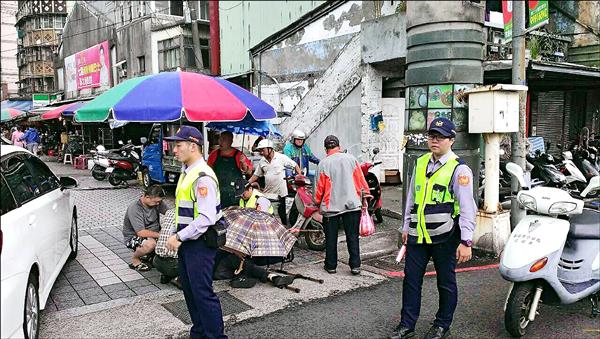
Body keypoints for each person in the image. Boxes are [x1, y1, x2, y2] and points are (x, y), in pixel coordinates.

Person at [391, 118, 476, 339]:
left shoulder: (459, 169)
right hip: (418, 233)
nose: (434, 140)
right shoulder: (420, 163)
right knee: (411, 279)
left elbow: (467, 207)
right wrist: (406, 225)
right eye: (431, 136)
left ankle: (442, 325)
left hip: (445, 235)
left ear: (451, 140)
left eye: (440, 136)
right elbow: (412, 196)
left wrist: (466, 241)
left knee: (445, 281)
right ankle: (407, 324)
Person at [163, 126, 226, 339]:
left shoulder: (202, 176)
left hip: (200, 244)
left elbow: (206, 217)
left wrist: (179, 236)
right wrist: (176, 233)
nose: (174, 150)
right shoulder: (186, 173)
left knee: (202, 294)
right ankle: (199, 333)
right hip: (188, 242)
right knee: (190, 292)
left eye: (178, 145)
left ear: (193, 146)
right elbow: (186, 211)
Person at [314, 135, 370, 276]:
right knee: (352, 236)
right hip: (352, 205)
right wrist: (365, 195)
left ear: (326, 148)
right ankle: (355, 266)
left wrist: (316, 201)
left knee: (331, 238)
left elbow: (319, 189)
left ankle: (331, 266)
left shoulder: (323, 164)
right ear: (339, 146)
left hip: (331, 208)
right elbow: (361, 181)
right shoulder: (351, 159)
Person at [248, 139, 301, 226]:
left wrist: (299, 178)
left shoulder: (281, 157)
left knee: (282, 216)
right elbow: (256, 175)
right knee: (269, 216)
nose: (261, 152)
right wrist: (247, 183)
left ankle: (284, 231)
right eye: (260, 150)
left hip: (281, 193)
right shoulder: (262, 161)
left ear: (270, 149)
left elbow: (294, 165)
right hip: (268, 193)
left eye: (263, 150)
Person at [122, 185, 168, 271]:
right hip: (134, 237)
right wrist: (162, 235)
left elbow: (169, 213)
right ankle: (135, 259)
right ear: (147, 197)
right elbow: (141, 232)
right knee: (150, 244)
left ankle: (151, 256)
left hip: (153, 234)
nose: (158, 204)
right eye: (156, 202)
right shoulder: (135, 208)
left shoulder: (157, 202)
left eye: (159, 202)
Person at [207, 131, 253, 208]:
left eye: (224, 139)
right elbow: (208, 172)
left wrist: (243, 163)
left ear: (231, 141)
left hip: (235, 194)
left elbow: (249, 172)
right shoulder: (214, 154)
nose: (220, 142)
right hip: (218, 193)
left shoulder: (238, 155)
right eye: (220, 139)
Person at [153, 221, 181, 289]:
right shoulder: (188, 216)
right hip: (174, 264)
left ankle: (166, 275)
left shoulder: (169, 212)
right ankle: (180, 279)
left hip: (156, 261)